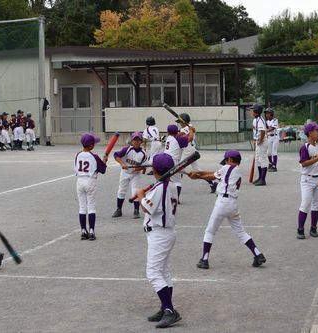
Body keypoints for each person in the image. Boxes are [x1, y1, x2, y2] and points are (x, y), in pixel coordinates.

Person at [188, 150, 267, 269]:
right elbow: (214, 173)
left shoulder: (227, 168)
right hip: (233, 204)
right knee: (241, 232)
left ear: (229, 160)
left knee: (210, 231)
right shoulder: (236, 171)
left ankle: (204, 259)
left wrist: (197, 176)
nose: (225, 162)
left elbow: (211, 176)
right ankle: (258, 254)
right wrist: (198, 173)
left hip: (222, 203)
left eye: (226, 160)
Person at [135, 153, 181, 329]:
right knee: (164, 272)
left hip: (160, 234)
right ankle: (164, 307)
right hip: (165, 232)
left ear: (154, 169)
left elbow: (147, 208)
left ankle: (170, 310)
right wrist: (148, 192)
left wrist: (140, 195)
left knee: (153, 273)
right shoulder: (170, 185)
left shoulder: (160, 187)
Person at [297, 122, 318, 239]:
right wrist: (317, 158)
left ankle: (313, 227)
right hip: (307, 180)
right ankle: (300, 229)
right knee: (305, 204)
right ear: (310, 133)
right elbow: (304, 163)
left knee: (316, 204)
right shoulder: (305, 147)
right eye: (317, 131)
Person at [74, 133, 108, 241]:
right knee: (91, 207)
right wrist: (105, 161)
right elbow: (103, 170)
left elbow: (75, 169)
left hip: (79, 181)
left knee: (82, 207)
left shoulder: (77, 155)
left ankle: (83, 231)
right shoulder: (94, 157)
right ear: (91, 145)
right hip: (90, 181)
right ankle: (92, 231)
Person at [112, 132, 149, 219]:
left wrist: (139, 168)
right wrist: (122, 163)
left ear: (141, 142)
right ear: (131, 141)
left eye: (138, 140)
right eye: (134, 140)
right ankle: (119, 209)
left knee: (135, 191)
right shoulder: (127, 149)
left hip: (135, 175)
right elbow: (116, 155)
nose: (136, 142)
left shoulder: (144, 154)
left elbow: (145, 167)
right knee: (121, 190)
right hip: (125, 172)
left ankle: (136, 210)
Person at [178, 113, 217, 193]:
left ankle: (177, 185)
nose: (179, 123)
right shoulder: (189, 126)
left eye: (180, 122)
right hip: (191, 150)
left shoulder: (186, 128)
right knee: (198, 170)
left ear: (184, 121)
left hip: (188, 151)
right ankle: (212, 183)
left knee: (179, 168)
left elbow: (179, 136)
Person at [164, 124, 188, 203]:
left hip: (164, 159)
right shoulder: (179, 139)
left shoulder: (169, 138)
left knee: (168, 180)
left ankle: (168, 197)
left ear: (168, 132)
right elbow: (190, 138)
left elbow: (179, 135)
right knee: (177, 181)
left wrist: (183, 132)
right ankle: (175, 199)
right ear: (177, 131)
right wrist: (191, 130)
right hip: (173, 161)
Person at [251, 104, 268, 186]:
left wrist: (260, 141)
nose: (251, 111)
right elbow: (256, 131)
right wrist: (256, 139)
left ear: (256, 112)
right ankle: (260, 177)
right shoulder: (255, 119)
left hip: (262, 141)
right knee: (257, 160)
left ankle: (263, 179)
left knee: (262, 160)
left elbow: (263, 131)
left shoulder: (260, 120)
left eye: (253, 110)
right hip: (258, 141)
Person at [265, 107, 279, 172]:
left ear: (271, 114)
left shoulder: (275, 120)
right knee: (268, 152)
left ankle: (274, 166)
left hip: (275, 137)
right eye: (266, 113)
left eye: (268, 113)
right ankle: (270, 163)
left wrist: (265, 131)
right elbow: (267, 128)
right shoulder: (266, 121)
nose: (267, 115)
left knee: (274, 151)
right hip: (269, 137)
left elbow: (272, 128)